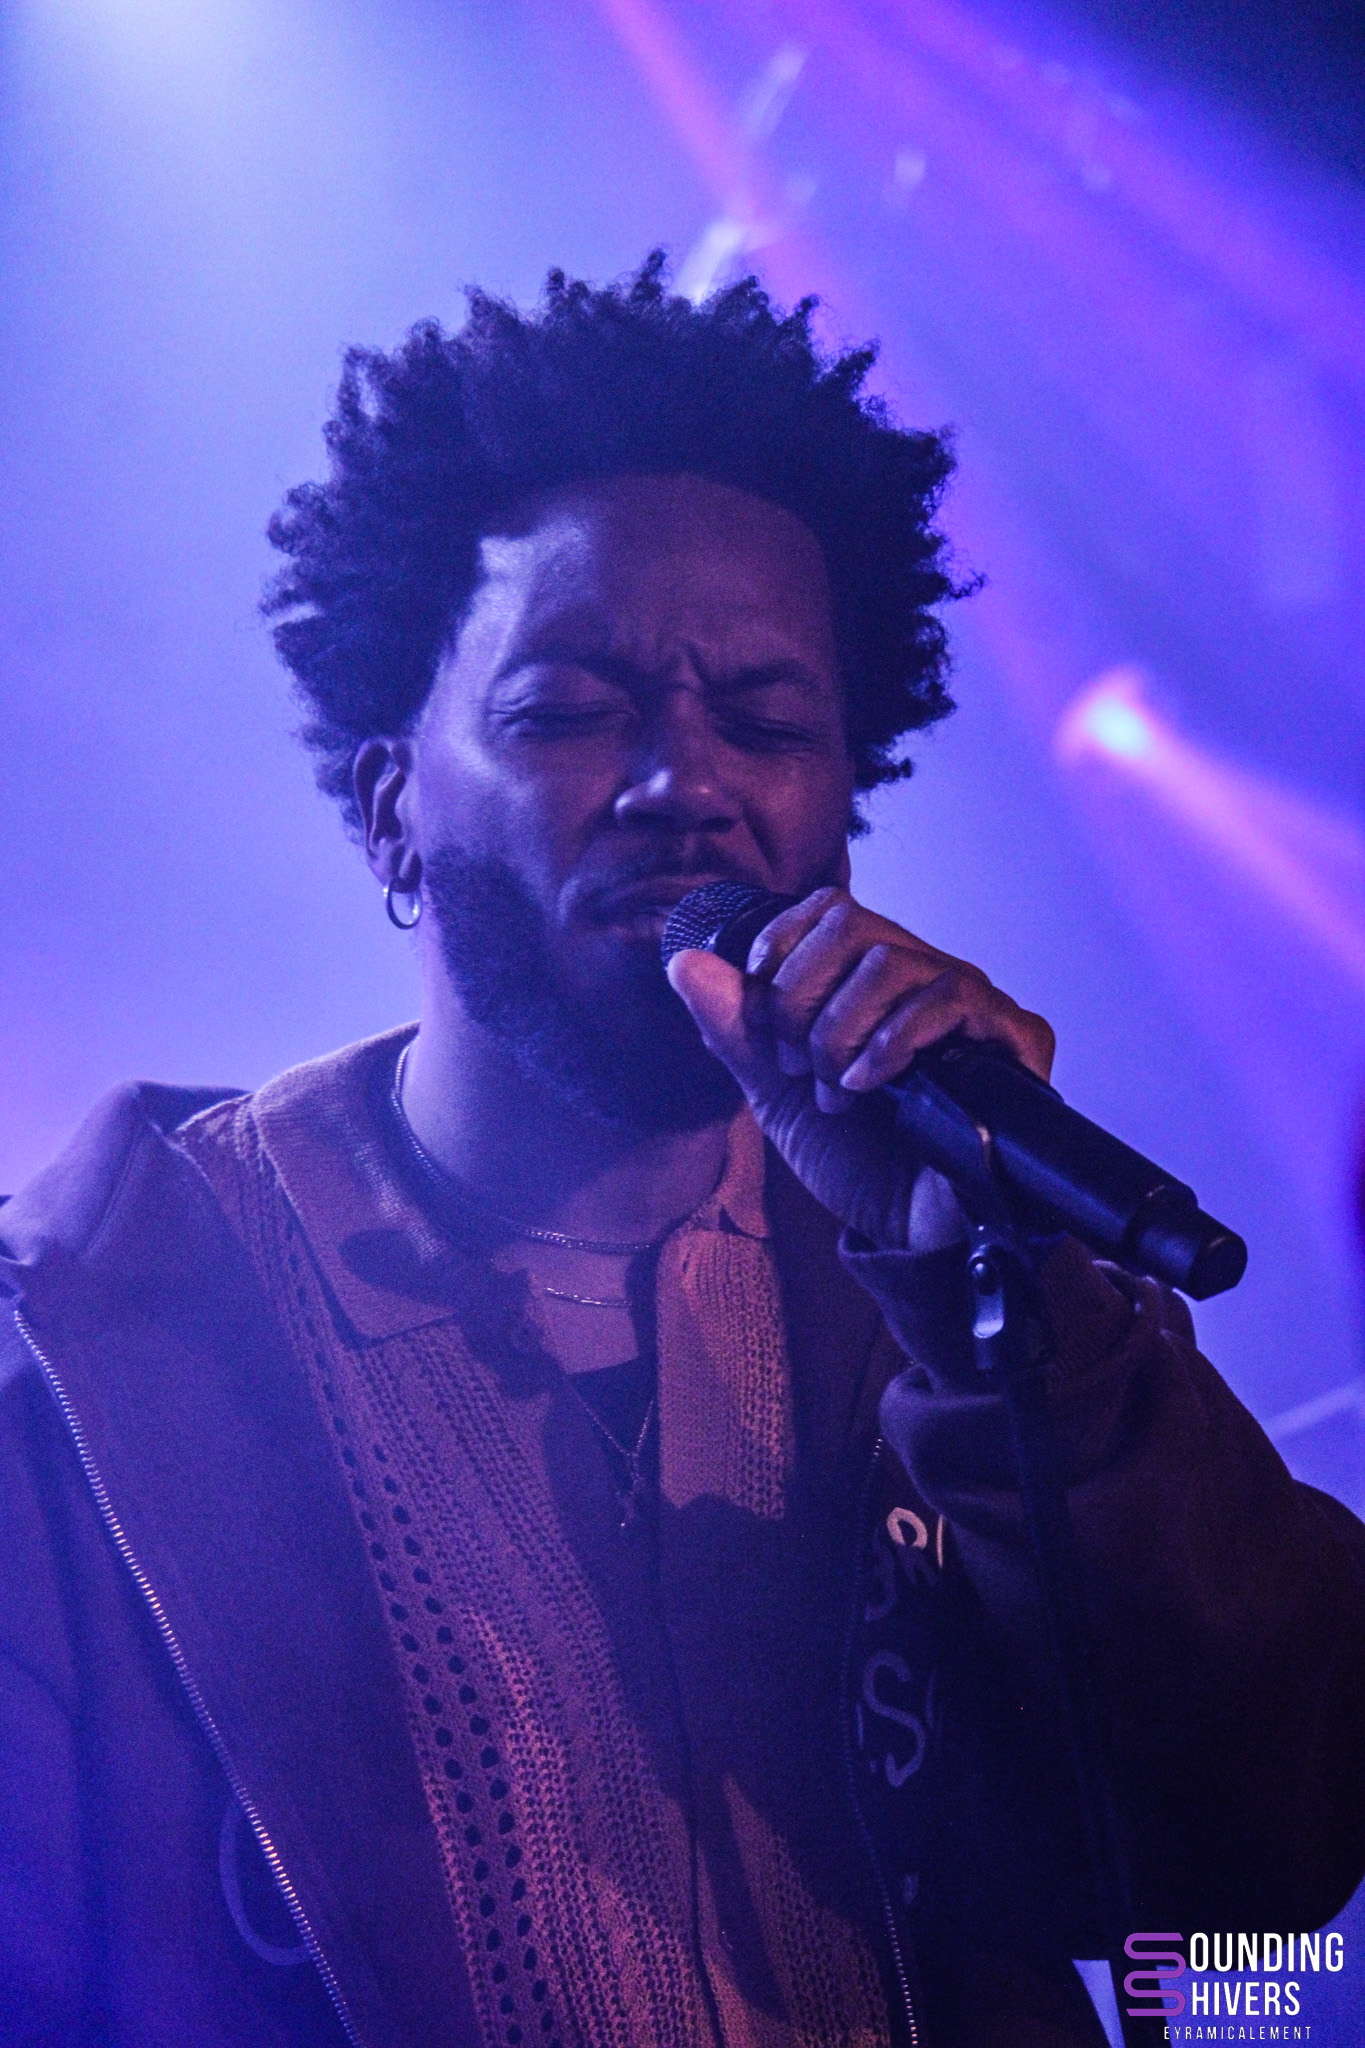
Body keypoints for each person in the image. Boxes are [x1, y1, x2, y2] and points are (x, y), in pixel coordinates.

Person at [1, 256, 1362, 2048]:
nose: (684, 781)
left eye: (769, 723)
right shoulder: (95, 1355)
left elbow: (1257, 1884)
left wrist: (1002, 1324)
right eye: (568, 710)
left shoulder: (961, 1290)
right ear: (392, 808)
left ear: (841, 799)